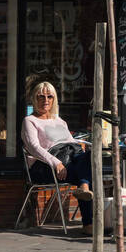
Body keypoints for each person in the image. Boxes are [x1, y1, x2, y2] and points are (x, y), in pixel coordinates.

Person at [22, 81, 95, 235]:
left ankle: (84, 188)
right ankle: (89, 220)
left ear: (54, 99)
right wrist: (56, 163)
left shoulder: (59, 120)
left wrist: (81, 147)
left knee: (91, 158)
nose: (46, 100)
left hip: (70, 162)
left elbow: (71, 141)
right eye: (41, 96)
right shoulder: (30, 121)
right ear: (34, 99)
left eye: (50, 96)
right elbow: (34, 148)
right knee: (88, 173)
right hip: (45, 166)